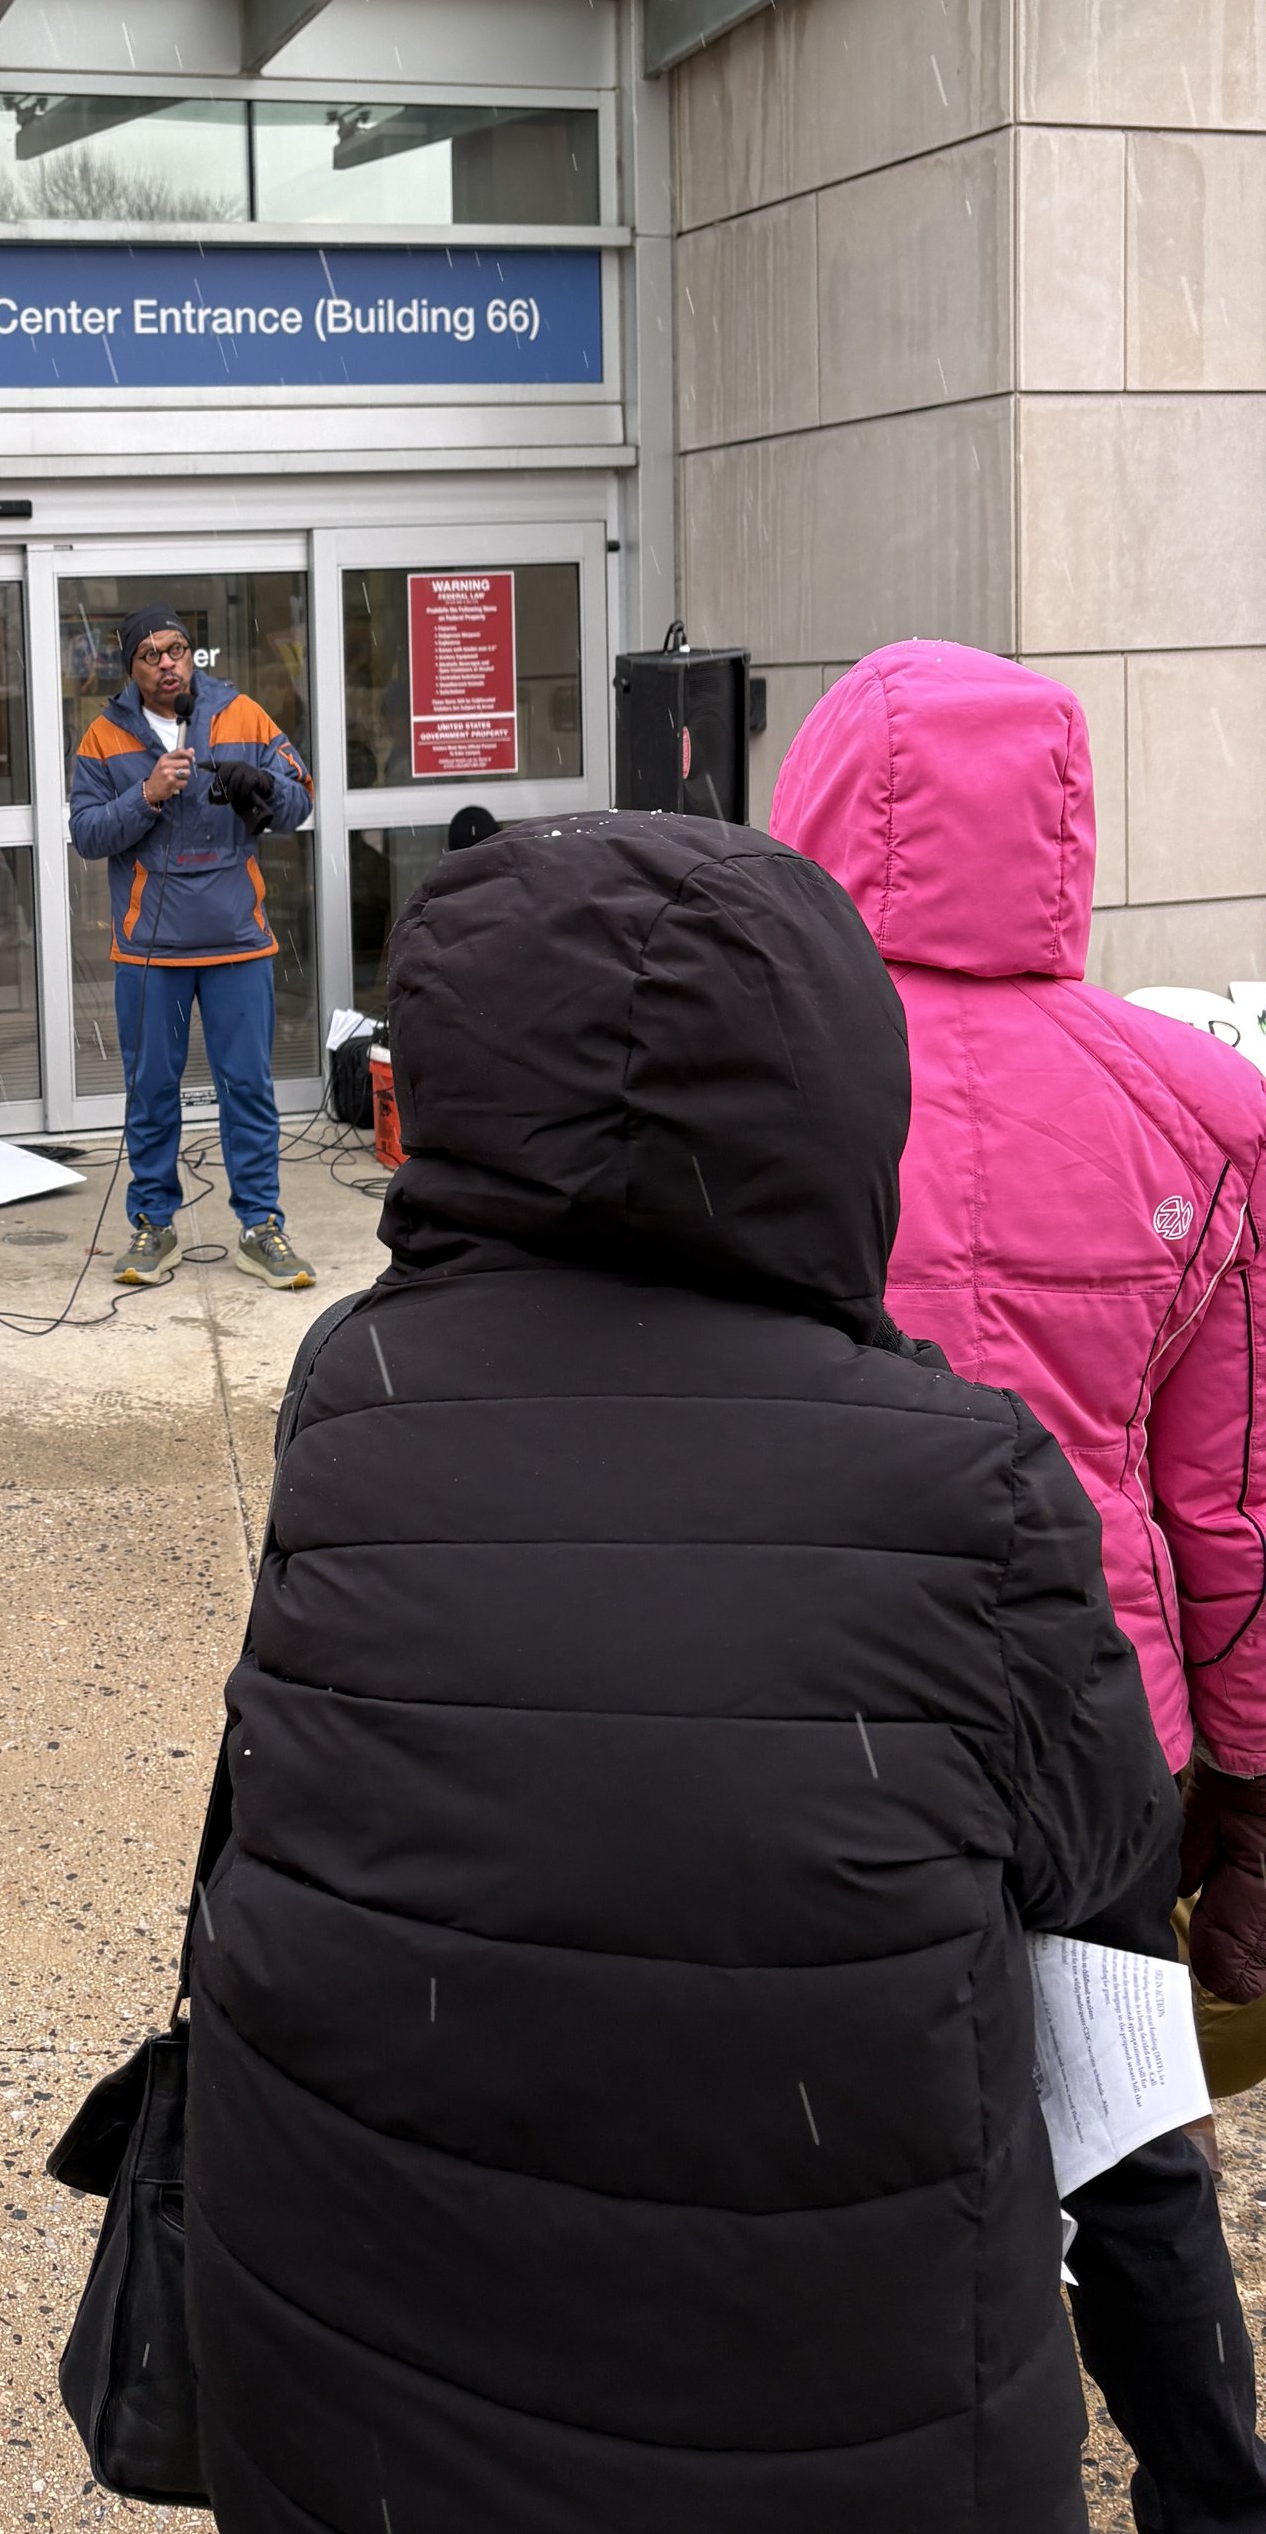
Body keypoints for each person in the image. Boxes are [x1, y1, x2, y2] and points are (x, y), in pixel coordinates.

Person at [184, 808, 1169, 2534]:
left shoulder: (353, 1398)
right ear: (840, 1096)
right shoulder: (966, 1480)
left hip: (350, 2413)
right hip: (844, 2427)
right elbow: (1095, 1878)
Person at [774, 639, 1266, 2530]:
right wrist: (1246, 1769)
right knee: (1131, 2131)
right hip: (1100, 1733)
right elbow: (1223, 1510)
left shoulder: (771, 1086)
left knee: (828, 2134)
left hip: (829, 1716)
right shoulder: (1197, 1106)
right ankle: (1213, 2490)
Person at [68, 603, 315, 1292]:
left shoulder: (244, 715)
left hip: (239, 939)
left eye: (177, 648)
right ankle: (153, 1225)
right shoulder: (103, 736)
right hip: (151, 947)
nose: (168, 662)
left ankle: (261, 1225)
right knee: (151, 1091)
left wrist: (263, 786)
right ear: (131, 667)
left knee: (248, 1088)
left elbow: (302, 800)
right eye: (150, 653)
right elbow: (87, 834)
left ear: (191, 653)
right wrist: (144, 795)